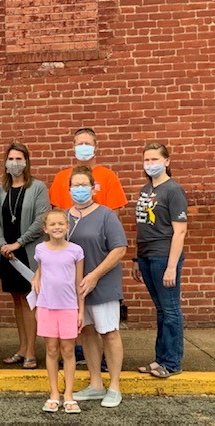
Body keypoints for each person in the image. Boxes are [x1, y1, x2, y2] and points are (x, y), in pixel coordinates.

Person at [49, 127, 127, 366]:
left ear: (96, 146)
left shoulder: (108, 178)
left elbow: (115, 232)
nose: (83, 147)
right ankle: (93, 375)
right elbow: (56, 221)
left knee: (107, 329)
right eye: (78, 143)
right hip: (72, 271)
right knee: (87, 328)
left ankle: (110, 375)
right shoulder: (62, 177)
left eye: (87, 142)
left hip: (99, 264)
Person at [64, 166, 127, 408]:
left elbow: (119, 249)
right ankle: (95, 384)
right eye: (75, 186)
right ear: (69, 189)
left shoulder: (106, 215)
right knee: (87, 333)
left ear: (93, 188)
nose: (79, 190)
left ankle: (114, 387)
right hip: (76, 290)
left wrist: (94, 276)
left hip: (102, 285)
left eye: (84, 185)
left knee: (109, 333)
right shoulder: (64, 217)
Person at [0, 142, 49, 370]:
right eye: (11, 159)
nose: (14, 163)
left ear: (26, 162)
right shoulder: (1, 189)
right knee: (17, 301)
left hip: (27, 252)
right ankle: (22, 348)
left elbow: (41, 219)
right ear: (6, 163)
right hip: (8, 255)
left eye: (19, 158)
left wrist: (18, 243)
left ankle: (32, 352)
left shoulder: (38, 187)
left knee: (29, 302)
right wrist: (3, 244)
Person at [132, 143, 188, 379]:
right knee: (161, 310)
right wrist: (137, 257)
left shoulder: (174, 190)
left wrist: (172, 266)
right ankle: (160, 359)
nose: (150, 164)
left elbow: (180, 232)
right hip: (146, 256)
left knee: (171, 309)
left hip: (164, 256)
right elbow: (142, 226)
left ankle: (172, 362)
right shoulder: (145, 189)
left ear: (166, 161)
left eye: (155, 159)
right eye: (146, 160)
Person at [32, 209, 84, 414]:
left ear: (67, 226)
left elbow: (79, 282)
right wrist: (36, 278)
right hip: (46, 306)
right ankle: (54, 393)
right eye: (52, 224)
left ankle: (69, 394)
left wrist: (81, 310)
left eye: (61, 223)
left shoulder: (76, 251)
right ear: (45, 228)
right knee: (52, 349)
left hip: (69, 307)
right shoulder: (40, 249)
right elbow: (41, 270)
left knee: (68, 350)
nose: (57, 227)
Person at [49, 128, 127, 210]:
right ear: (74, 148)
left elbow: (114, 213)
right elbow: (56, 212)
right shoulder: (61, 177)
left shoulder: (108, 176)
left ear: (95, 148)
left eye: (87, 144)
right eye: (80, 144)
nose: (83, 147)